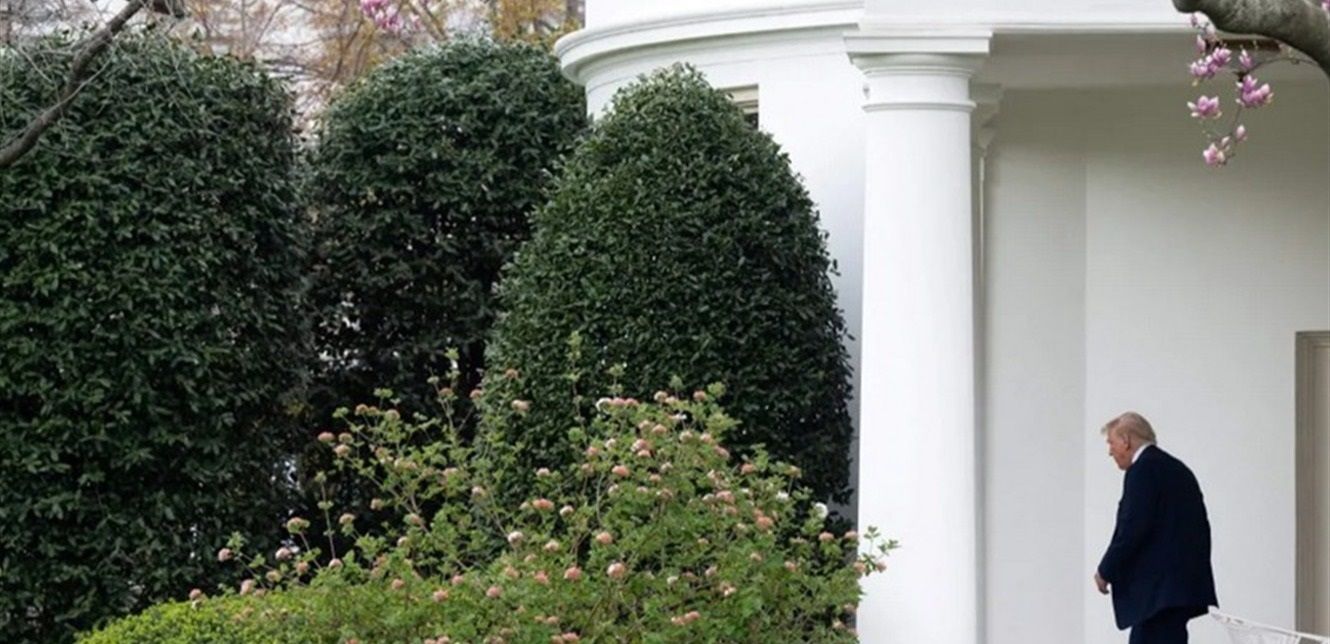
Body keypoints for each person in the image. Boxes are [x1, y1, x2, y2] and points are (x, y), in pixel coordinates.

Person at [1095, 412, 1218, 644]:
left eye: (1111, 443)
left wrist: (1106, 570)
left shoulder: (1142, 470)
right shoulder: (1177, 469)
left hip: (1156, 596)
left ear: (1126, 440)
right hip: (1178, 592)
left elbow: (1132, 528)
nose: (1110, 451)